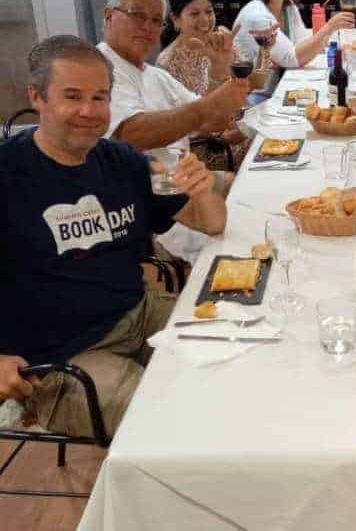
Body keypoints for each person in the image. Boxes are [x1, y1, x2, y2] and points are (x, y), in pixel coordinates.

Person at [0, 35, 226, 437]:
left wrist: (202, 190)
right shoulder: (9, 173)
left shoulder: (121, 161)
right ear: (37, 97)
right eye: (72, 96)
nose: (89, 111)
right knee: (169, 426)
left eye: (100, 97)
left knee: (236, 352)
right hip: (63, 356)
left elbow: (212, 224)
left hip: (138, 312)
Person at [98, 0, 248, 264]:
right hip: (149, 199)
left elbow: (214, 124)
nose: (147, 26)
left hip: (186, 180)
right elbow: (131, 133)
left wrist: (218, 70)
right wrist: (211, 105)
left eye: (156, 20)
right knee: (239, 237)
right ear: (109, 16)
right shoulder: (100, 69)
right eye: (136, 15)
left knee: (251, 192)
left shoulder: (155, 75)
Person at [157, 0, 276, 170]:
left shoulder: (223, 44)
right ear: (176, 19)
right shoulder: (167, 63)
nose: (205, 20)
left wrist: (266, 50)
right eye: (195, 14)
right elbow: (182, 123)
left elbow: (256, 83)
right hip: (206, 152)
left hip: (241, 133)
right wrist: (226, 133)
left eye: (209, 11)